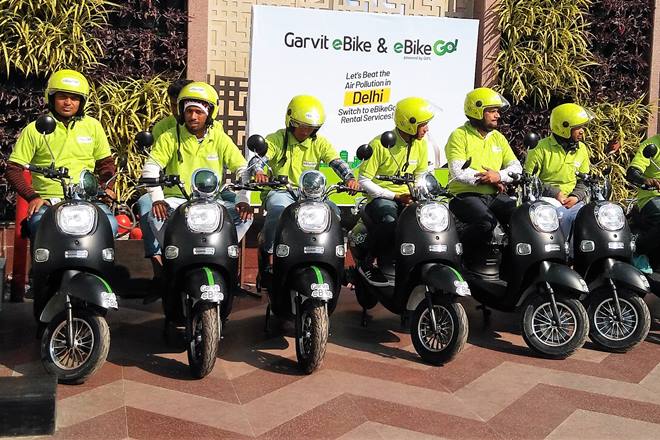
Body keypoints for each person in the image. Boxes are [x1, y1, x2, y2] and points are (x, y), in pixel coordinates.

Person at [5, 69, 118, 321]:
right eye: (62, 96)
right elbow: (13, 169)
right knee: (39, 228)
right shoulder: (36, 129)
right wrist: (33, 196)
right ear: (51, 98)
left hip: (86, 200)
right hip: (50, 201)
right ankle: (43, 288)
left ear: (82, 102)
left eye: (74, 98)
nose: (68, 102)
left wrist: (105, 185)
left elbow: (106, 163)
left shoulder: (93, 126)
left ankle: (99, 285)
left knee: (109, 226)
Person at [140, 81, 252, 278]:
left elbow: (243, 168)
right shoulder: (169, 137)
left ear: (209, 113)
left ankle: (223, 248)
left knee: (246, 216)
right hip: (177, 200)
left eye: (199, 112)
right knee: (154, 216)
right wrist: (157, 199)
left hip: (212, 201)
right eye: (189, 111)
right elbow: (151, 167)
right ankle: (173, 252)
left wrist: (243, 199)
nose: (193, 116)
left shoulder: (220, 138)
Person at [251, 95, 359, 265]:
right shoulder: (276, 139)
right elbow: (258, 159)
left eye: (311, 128)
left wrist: (349, 178)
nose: (305, 131)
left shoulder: (320, 143)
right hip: (282, 191)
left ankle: (333, 256)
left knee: (333, 213)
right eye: (301, 126)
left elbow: (337, 162)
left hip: (312, 195)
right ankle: (267, 250)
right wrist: (258, 171)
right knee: (278, 211)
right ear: (291, 122)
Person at [357, 97, 434, 286]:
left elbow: (420, 175)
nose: (426, 129)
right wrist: (395, 196)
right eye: (423, 124)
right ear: (409, 124)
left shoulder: (421, 144)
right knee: (389, 222)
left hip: (409, 197)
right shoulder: (379, 144)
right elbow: (364, 180)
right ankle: (367, 263)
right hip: (381, 198)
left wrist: (417, 194)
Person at [445, 87, 521, 270]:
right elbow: (458, 171)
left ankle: (509, 268)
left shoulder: (498, 138)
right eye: (492, 111)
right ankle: (461, 257)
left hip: (493, 195)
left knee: (521, 218)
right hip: (464, 195)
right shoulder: (459, 135)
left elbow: (516, 167)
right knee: (486, 223)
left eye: (497, 111)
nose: (497, 115)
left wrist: (499, 176)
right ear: (477, 111)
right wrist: (489, 178)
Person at [136, 79, 193, 258]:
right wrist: (157, 196)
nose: (176, 110)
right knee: (146, 205)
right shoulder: (162, 128)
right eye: (173, 105)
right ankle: (158, 258)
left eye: (180, 105)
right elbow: (155, 165)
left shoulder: (214, 128)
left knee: (237, 209)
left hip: (205, 193)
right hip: (168, 192)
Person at [524, 103, 593, 239]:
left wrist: (576, 196)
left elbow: (584, 180)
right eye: (577, 127)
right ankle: (563, 250)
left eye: (582, 127)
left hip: (573, 200)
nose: (582, 131)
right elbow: (529, 181)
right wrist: (555, 193)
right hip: (546, 199)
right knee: (562, 215)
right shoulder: (539, 148)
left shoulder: (582, 149)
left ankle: (581, 251)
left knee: (590, 218)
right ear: (563, 127)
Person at [626, 133, 660, 274]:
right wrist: (644, 180)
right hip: (652, 196)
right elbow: (632, 172)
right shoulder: (651, 145)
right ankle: (637, 250)